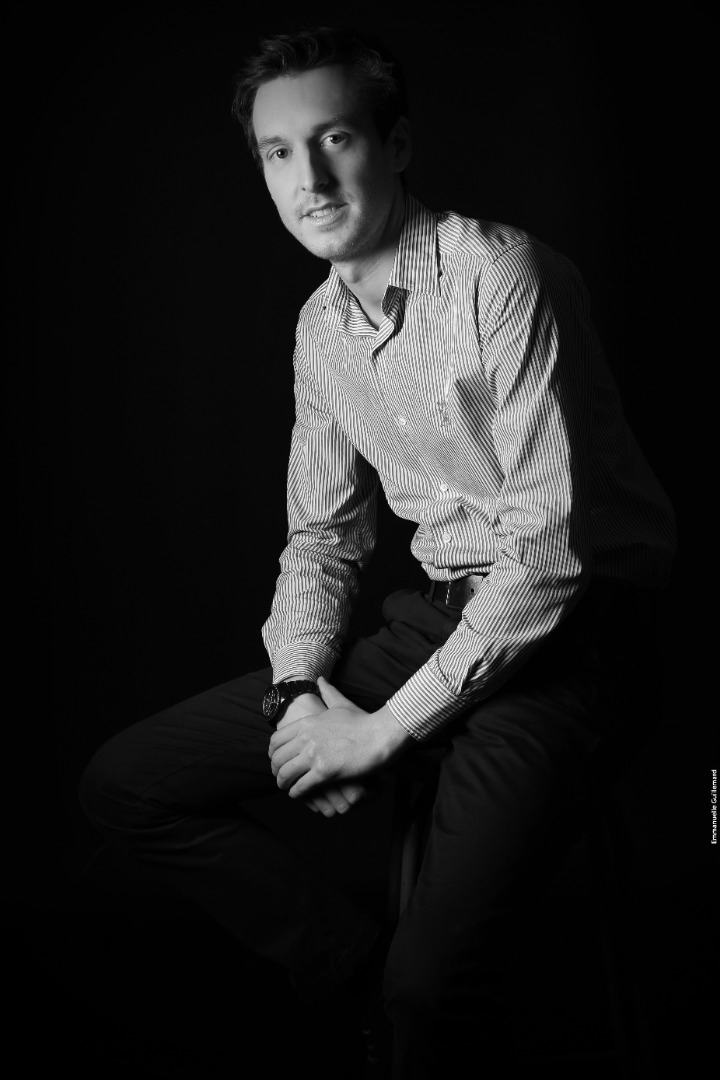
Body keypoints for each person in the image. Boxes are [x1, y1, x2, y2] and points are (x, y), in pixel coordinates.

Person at [79, 25, 677, 1079]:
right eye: (278, 152)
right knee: (127, 784)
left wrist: (382, 734)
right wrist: (298, 696)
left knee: (433, 989)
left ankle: (407, 999)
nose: (308, 179)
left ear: (396, 145)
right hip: (442, 621)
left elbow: (548, 556)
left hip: (579, 645)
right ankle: (362, 975)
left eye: (337, 138)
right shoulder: (322, 329)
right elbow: (322, 538)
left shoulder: (501, 276)